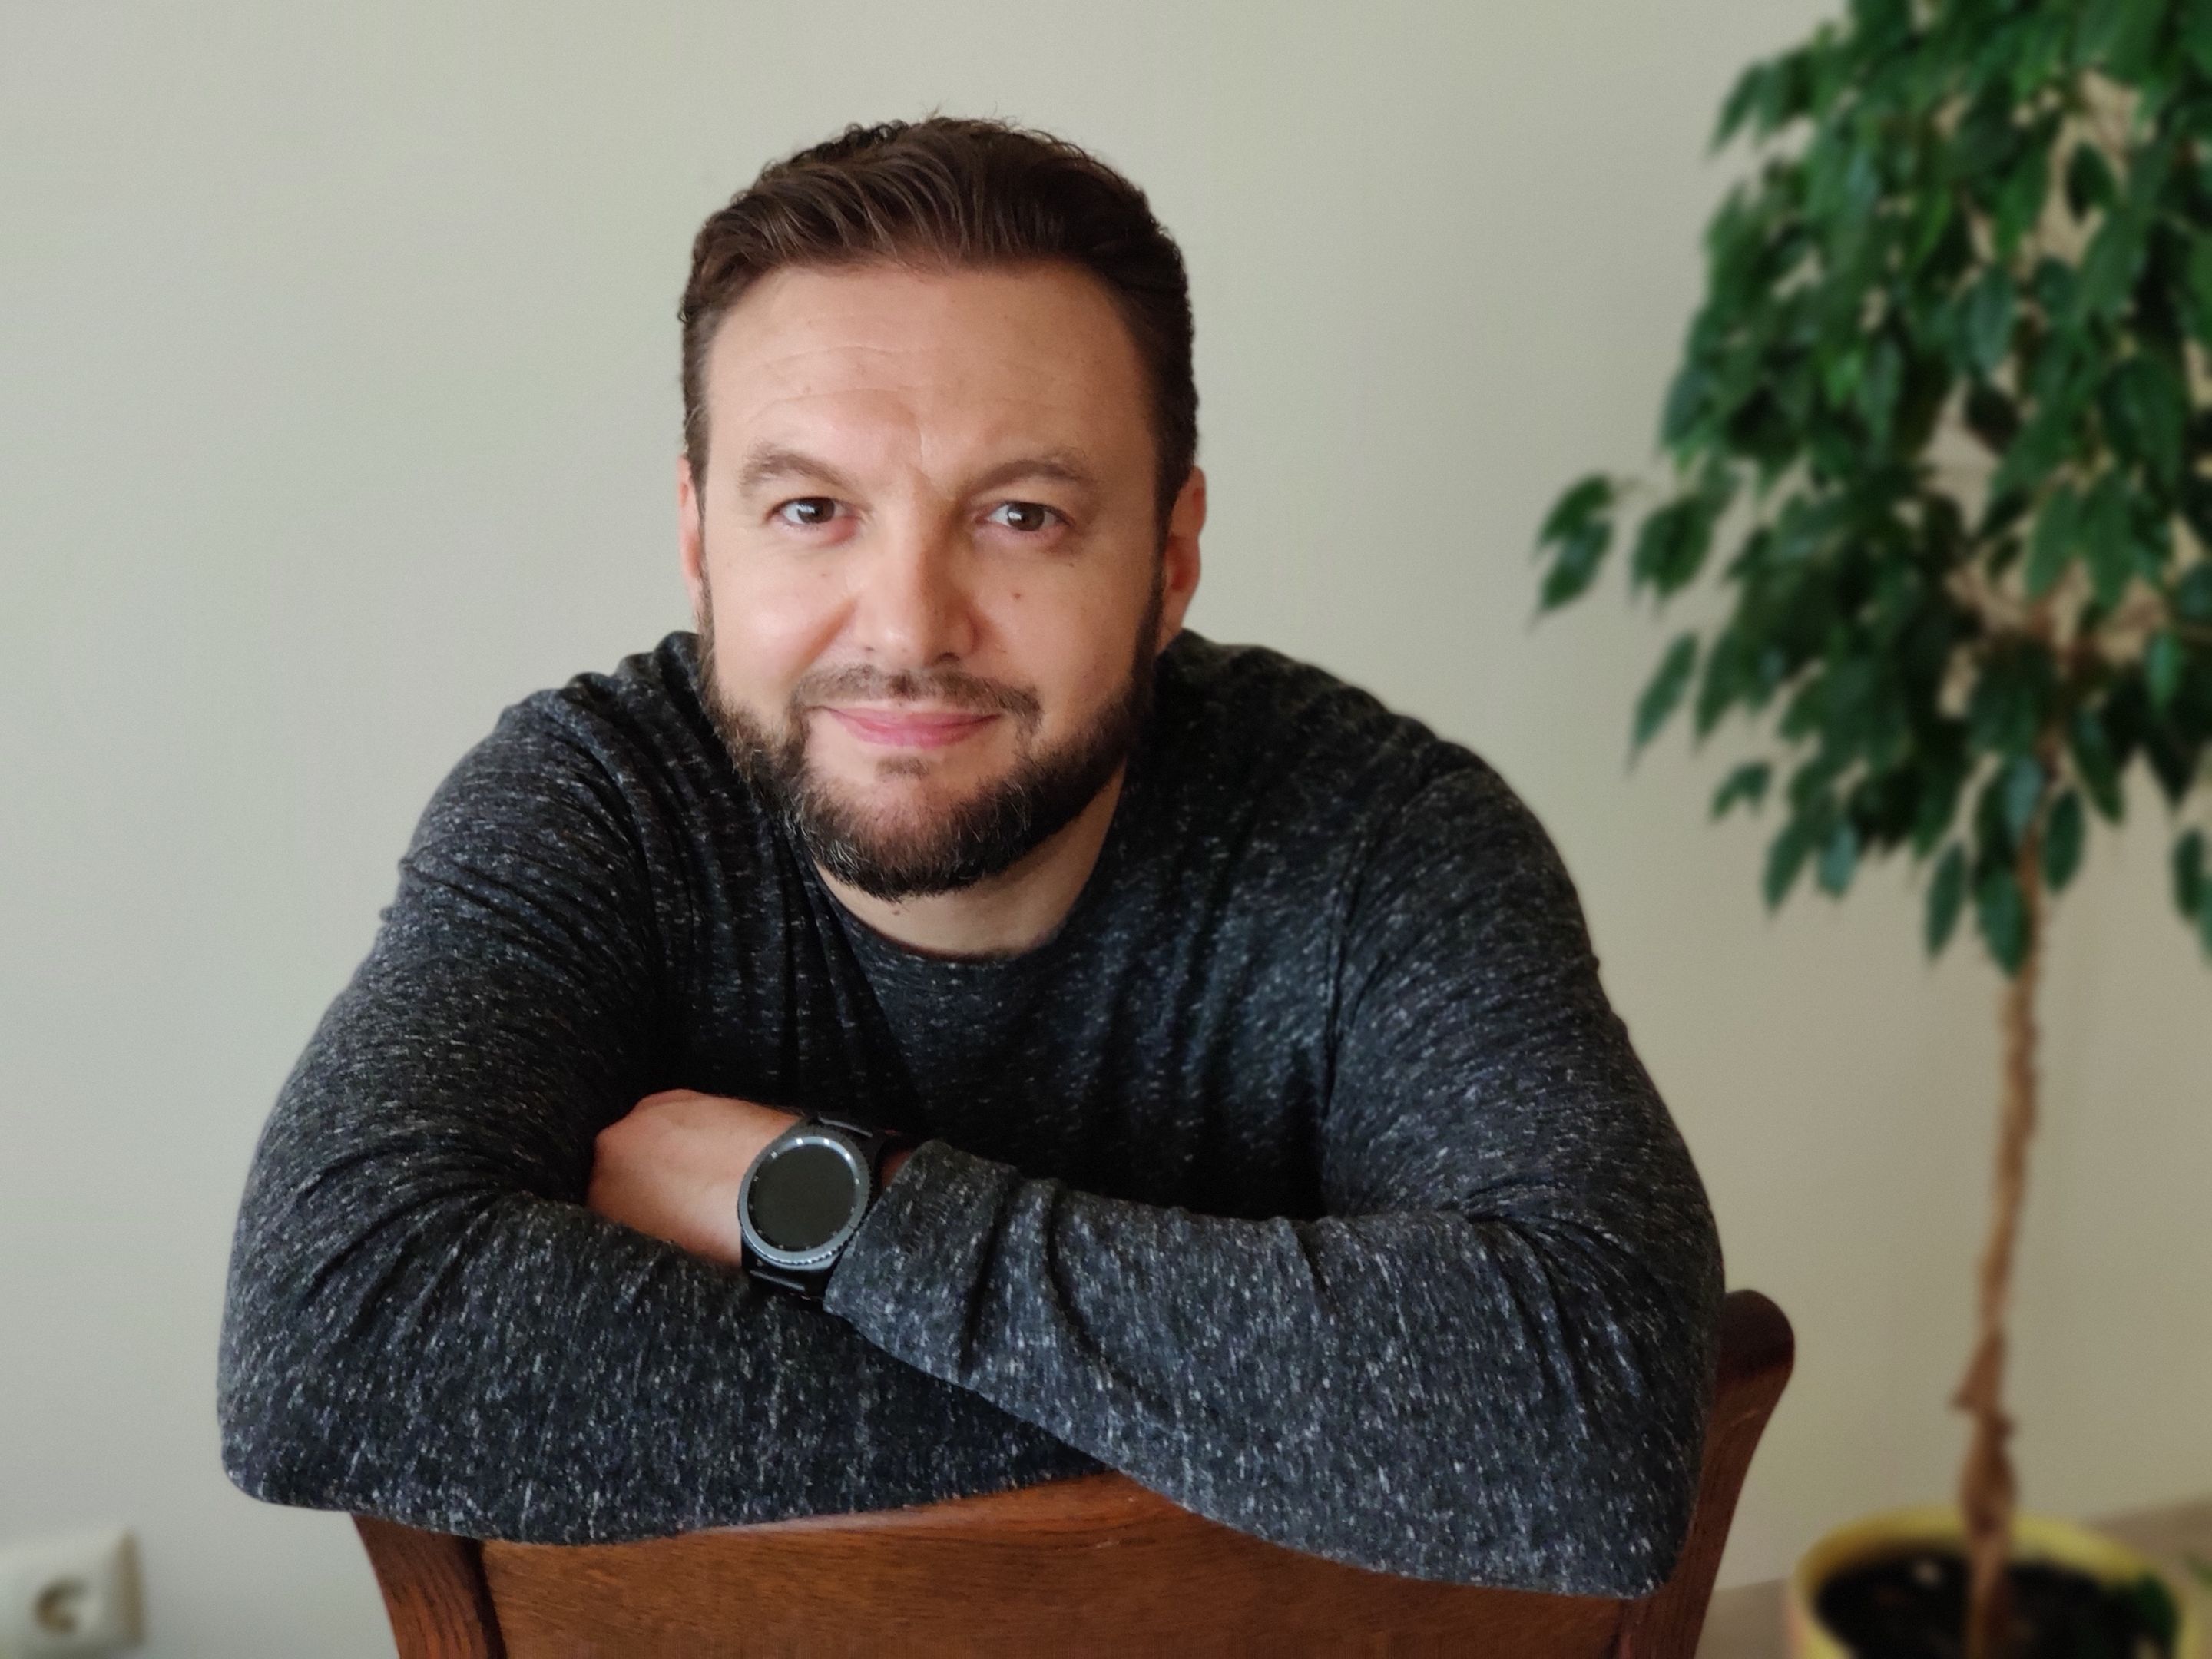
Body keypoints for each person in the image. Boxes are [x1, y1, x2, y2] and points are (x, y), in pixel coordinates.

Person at [216, 114, 1725, 1598]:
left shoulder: (1378, 837)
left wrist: (830, 1212)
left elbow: (1594, 1416)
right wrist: (1246, 1425)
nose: (907, 626)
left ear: (1170, 556)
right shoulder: (595, 806)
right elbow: (326, 1342)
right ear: (698, 540)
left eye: (1021, 514)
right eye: (811, 509)